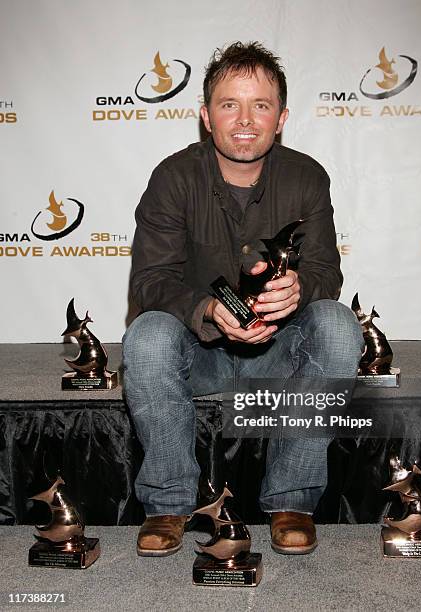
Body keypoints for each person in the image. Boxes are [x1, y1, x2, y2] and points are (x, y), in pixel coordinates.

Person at [123, 41, 363, 557]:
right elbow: (150, 281)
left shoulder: (305, 177)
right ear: (207, 117)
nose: (245, 120)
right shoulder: (173, 177)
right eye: (230, 104)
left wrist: (299, 290)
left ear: (281, 117)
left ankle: (292, 500)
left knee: (339, 326)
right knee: (145, 336)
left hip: (277, 349)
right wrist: (209, 310)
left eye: (261, 105)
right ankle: (168, 503)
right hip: (200, 350)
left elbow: (325, 272)